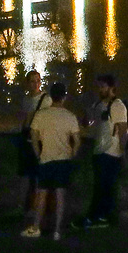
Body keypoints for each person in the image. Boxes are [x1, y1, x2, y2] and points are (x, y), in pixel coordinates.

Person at [25, 82, 80, 239]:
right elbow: (77, 141)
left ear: (51, 96)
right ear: (64, 96)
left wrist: (38, 153)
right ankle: (57, 230)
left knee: (42, 194)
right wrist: (72, 155)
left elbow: (34, 136)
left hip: (46, 158)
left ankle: (36, 227)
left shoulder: (41, 115)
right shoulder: (70, 116)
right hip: (63, 159)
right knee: (60, 195)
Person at [77, 74, 128, 228]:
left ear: (112, 87)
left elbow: (123, 130)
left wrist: (122, 152)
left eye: (103, 86)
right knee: (102, 187)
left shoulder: (117, 106)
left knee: (105, 187)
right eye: (99, 86)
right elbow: (87, 124)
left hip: (111, 153)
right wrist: (86, 116)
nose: (100, 89)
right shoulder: (98, 105)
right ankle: (100, 217)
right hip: (99, 151)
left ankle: (101, 217)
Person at [15, 69, 50, 230]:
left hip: (37, 139)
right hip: (26, 138)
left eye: (37, 80)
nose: (35, 84)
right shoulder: (26, 99)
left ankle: (34, 207)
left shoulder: (45, 99)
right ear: (27, 83)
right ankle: (23, 206)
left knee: (36, 175)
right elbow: (22, 119)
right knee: (25, 174)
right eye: (32, 81)